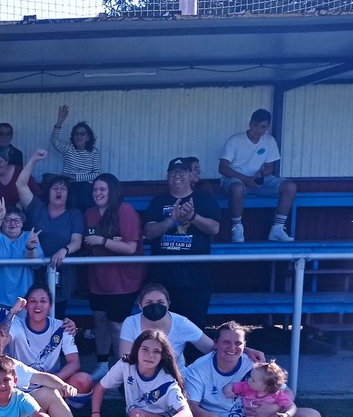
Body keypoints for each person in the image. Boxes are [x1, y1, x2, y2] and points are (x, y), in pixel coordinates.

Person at [184, 322, 322, 417]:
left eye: (238, 343)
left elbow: (288, 393)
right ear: (215, 344)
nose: (232, 347)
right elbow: (191, 407)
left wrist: (273, 408)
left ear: (244, 345)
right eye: (226, 342)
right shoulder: (197, 369)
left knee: (312, 414)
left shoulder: (255, 364)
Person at [141, 157, 222, 328]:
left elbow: (214, 228)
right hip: (162, 278)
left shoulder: (205, 199)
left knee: (194, 328)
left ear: (191, 175)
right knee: (161, 330)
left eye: (182, 172)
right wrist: (171, 220)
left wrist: (192, 217)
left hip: (196, 278)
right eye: (173, 172)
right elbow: (149, 233)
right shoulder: (158, 201)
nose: (177, 176)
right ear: (167, 176)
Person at [117, 282, 267, 370]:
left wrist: (245, 350)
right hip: (139, 375)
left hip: (173, 377)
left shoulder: (181, 323)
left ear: (168, 304)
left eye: (160, 303)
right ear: (140, 305)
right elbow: (125, 359)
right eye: (149, 303)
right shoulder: (131, 322)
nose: (155, 306)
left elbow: (210, 347)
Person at [82, 173, 144, 381]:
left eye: (102, 189)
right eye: (95, 190)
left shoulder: (125, 212)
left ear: (112, 191)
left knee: (117, 325)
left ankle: (121, 369)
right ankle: (102, 365)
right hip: (97, 278)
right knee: (99, 320)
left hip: (123, 280)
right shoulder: (89, 213)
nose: (97, 193)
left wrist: (102, 240)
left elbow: (130, 247)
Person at [16, 160, 84, 317]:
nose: (59, 191)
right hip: (35, 271)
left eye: (63, 188)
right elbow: (20, 184)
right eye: (55, 188)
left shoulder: (74, 214)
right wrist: (33, 159)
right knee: (34, 314)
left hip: (62, 271)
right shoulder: (37, 207)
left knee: (57, 315)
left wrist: (64, 250)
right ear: (48, 192)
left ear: (68, 193)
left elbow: (77, 241)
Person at [220, 109, 297, 242]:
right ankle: (237, 228)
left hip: (257, 180)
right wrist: (246, 179)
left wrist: (259, 175)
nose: (258, 130)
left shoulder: (270, 141)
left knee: (290, 187)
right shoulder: (235, 140)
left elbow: (269, 168)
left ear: (267, 127)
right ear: (250, 123)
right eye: (255, 125)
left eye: (263, 127)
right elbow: (223, 168)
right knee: (237, 188)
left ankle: (277, 228)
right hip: (235, 180)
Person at [6, 284, 92, 397]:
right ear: (26, 306)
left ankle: (71, 409)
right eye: (33, 301)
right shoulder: (16, 324)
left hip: (52, 387)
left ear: (50, 306)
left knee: (83, 379)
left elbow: (74, 363)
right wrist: (12, 312)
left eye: (43, 301)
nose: (38, 305)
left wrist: (51, 382)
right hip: (20, 387)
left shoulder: (63, 327)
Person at [0, 198, 43, 308]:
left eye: (17, 220)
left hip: (24, 299)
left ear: (22, 223)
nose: (13, 223)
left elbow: (36, 265)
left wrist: (30, 248)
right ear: (2, 223)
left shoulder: (30, 236)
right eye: (8, 220)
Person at [49, 104, 101, 210]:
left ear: (88, 137)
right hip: (70, 186)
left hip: (86, 188)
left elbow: (97, 174)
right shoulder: (69, 148)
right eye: (76, 134)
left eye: (82, 134)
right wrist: (60, 121)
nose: (79, 136)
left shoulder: (94, 152)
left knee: (86, 190)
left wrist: (75, 177)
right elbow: (54, 141)